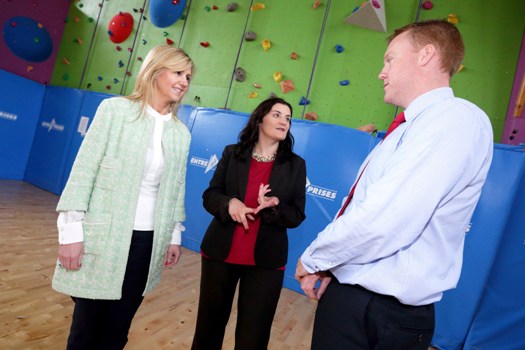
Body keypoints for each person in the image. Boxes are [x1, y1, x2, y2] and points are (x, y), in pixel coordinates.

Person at [295, 19, 494, 350]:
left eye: (390, 59)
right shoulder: (404, 130)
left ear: (426, 55)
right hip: (353, 297)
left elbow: (386, 219)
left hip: (382, 311)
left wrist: (316, 258)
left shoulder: (455, 118)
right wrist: (333, 268)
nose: (381, 72)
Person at [52, 45, 194, 349]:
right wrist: (71, 233)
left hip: (147, 242)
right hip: (104, 236)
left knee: (117, 331)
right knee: (85, 330)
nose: (184, 81)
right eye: (178, 72)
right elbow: (83, 171)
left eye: (189, 76)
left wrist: (174, 235)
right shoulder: (114, 111)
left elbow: (176, 186)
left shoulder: (181, 133)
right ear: (156, 71)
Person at [191, 97, 307, 350]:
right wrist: (230, 203)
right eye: (277, 115)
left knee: (253, 337)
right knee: (208, 328)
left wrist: (274, 205)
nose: (283, 122)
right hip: (220, 254)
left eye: (288, 118)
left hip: (266, 263)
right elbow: (210, 196)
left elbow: (297, 215)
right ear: (259, 119)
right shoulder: (233, 154)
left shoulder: (295, 165)